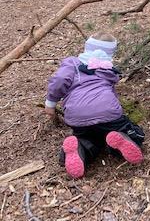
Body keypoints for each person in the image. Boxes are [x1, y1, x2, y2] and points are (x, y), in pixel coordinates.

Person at [45, 33, 144, 179]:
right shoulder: (108, 68)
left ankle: (80, 147)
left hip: (77, 117)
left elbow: (59, 79)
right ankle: (120, 138)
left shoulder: (72, 63)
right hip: (108, 113)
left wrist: (51, 103)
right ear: (111, 53)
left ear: (87, 47)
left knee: (90, 139)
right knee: (132, 131)